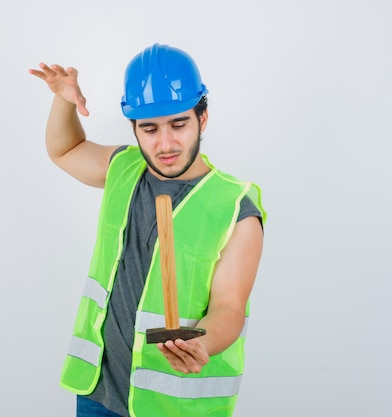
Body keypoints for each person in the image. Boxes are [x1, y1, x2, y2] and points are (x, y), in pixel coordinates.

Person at [29, 43, 266, 417]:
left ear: (202, 118)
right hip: (99, 393)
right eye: (150, 128)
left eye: (179, 123)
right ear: (135, 127)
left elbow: (229, 307)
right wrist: (63, 101)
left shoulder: (235, 207)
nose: (165, 143)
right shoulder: (123, 168)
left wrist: (203, 341)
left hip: (173, 405)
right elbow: (65, 150)